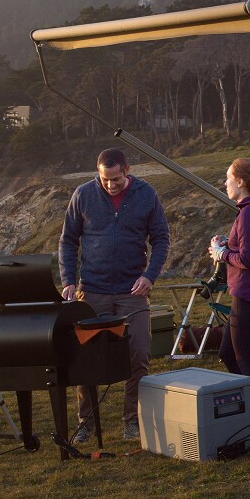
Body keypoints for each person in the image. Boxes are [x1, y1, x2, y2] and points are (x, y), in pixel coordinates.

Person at [58, 146, 169, 446]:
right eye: (105, 180)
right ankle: (86, 423)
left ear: (126, 170)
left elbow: (161, 239)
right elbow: (68, 241)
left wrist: (150, 276)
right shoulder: (83, 195)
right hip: (91, 291)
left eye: (116, 180)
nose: (110, 185)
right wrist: (68, 280)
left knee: (139, 356)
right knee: (84, 359)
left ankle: (131, 420)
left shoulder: (147, 195)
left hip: (132, 291)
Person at [211, 157, 250, 440]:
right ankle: (247, 409)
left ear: (240, 181)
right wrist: (226, 245)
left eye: (228, 177)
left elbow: (248, 259)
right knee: (227, 352)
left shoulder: (249, 214)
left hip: (249, 292)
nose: (225, 183)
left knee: (245, 357)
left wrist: (221, 254)